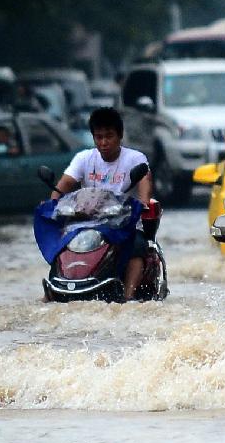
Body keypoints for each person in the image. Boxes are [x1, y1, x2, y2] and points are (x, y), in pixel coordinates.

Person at [51, 107, 152, 301]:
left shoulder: (135, 159)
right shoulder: (83, 158)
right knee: (61, 246)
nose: (104, 142)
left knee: (137, 246)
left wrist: (144, 202)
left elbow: (145, 181)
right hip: (87, 223)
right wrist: (52, 203)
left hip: (124, 224)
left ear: (120, 136)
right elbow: (63, 185)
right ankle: (53, 292)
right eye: (99, 137)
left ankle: (128, 296)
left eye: (109, 136)